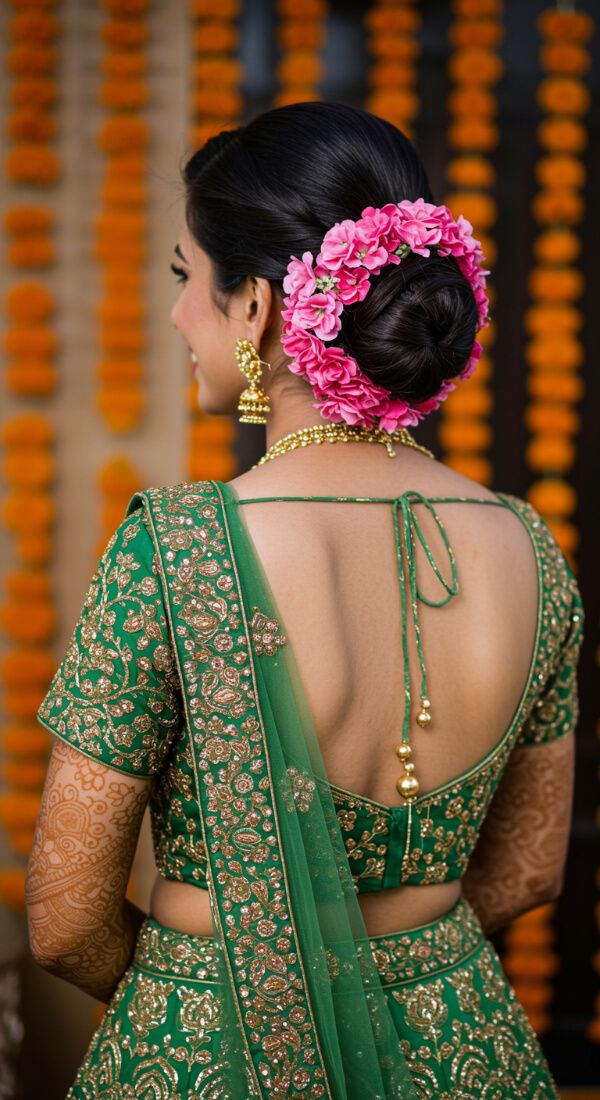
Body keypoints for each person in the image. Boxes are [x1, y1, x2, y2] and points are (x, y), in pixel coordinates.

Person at [25, 102, 584, 1099]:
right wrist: (393, 973)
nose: (176, 316)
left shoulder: (174, 550)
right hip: (460, 1044)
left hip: (215, 1046)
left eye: (185, 277)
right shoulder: (528, 547)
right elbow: (533, 868)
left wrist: (198, 986)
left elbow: (66, 916)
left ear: (258, 309)